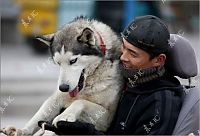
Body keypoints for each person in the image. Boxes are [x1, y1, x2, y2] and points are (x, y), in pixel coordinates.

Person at [38, 15, 183, 135]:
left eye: (132, 53)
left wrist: (87, 132)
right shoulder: (125, 77)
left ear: (159, 60)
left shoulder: (161, 103)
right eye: (123, 47)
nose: (123, 57)